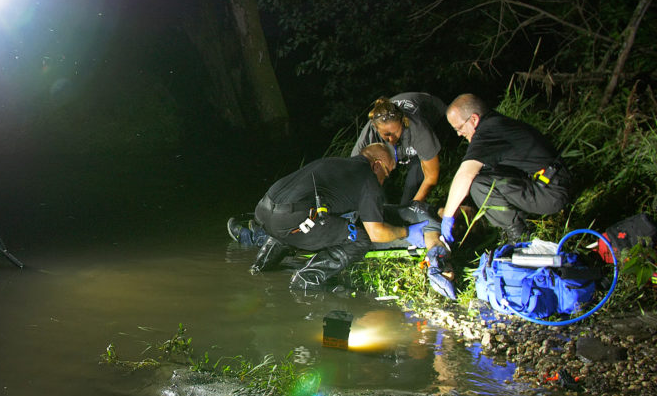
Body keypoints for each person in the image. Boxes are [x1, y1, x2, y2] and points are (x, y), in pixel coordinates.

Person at [230, 143, 451, 293]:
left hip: (264, 210)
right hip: (292, 218)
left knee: (303, 223)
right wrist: (406, 232)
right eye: (387, 172)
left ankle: (259, 268)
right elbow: (377, 233)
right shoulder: (368, 180)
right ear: (376, 165)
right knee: (360, 239)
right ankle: (306, 280)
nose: (385, 179)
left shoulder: (336, 164)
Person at [439, 93, 571, 245]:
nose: (459, 134)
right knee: (483, 173)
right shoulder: (496, 124)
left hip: (551, 192)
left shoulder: (488, 132)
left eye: (459, 128)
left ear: (474, 119)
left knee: (478, 183)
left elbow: (465, 174)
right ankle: (517, 222)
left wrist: (447, 218)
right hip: (549, 182)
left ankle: (519, 235)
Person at [351, 93, 446, 209]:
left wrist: (411, 209)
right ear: (375, 128)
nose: (392, 139)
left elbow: (431, 177)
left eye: (396, 132)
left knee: (414, 178)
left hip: (437, 117)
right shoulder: (368, 136)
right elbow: (354, 174)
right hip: (397, 139)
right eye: (387, 135)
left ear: (403, 122)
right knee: (375, 180)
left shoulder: (418, 128)